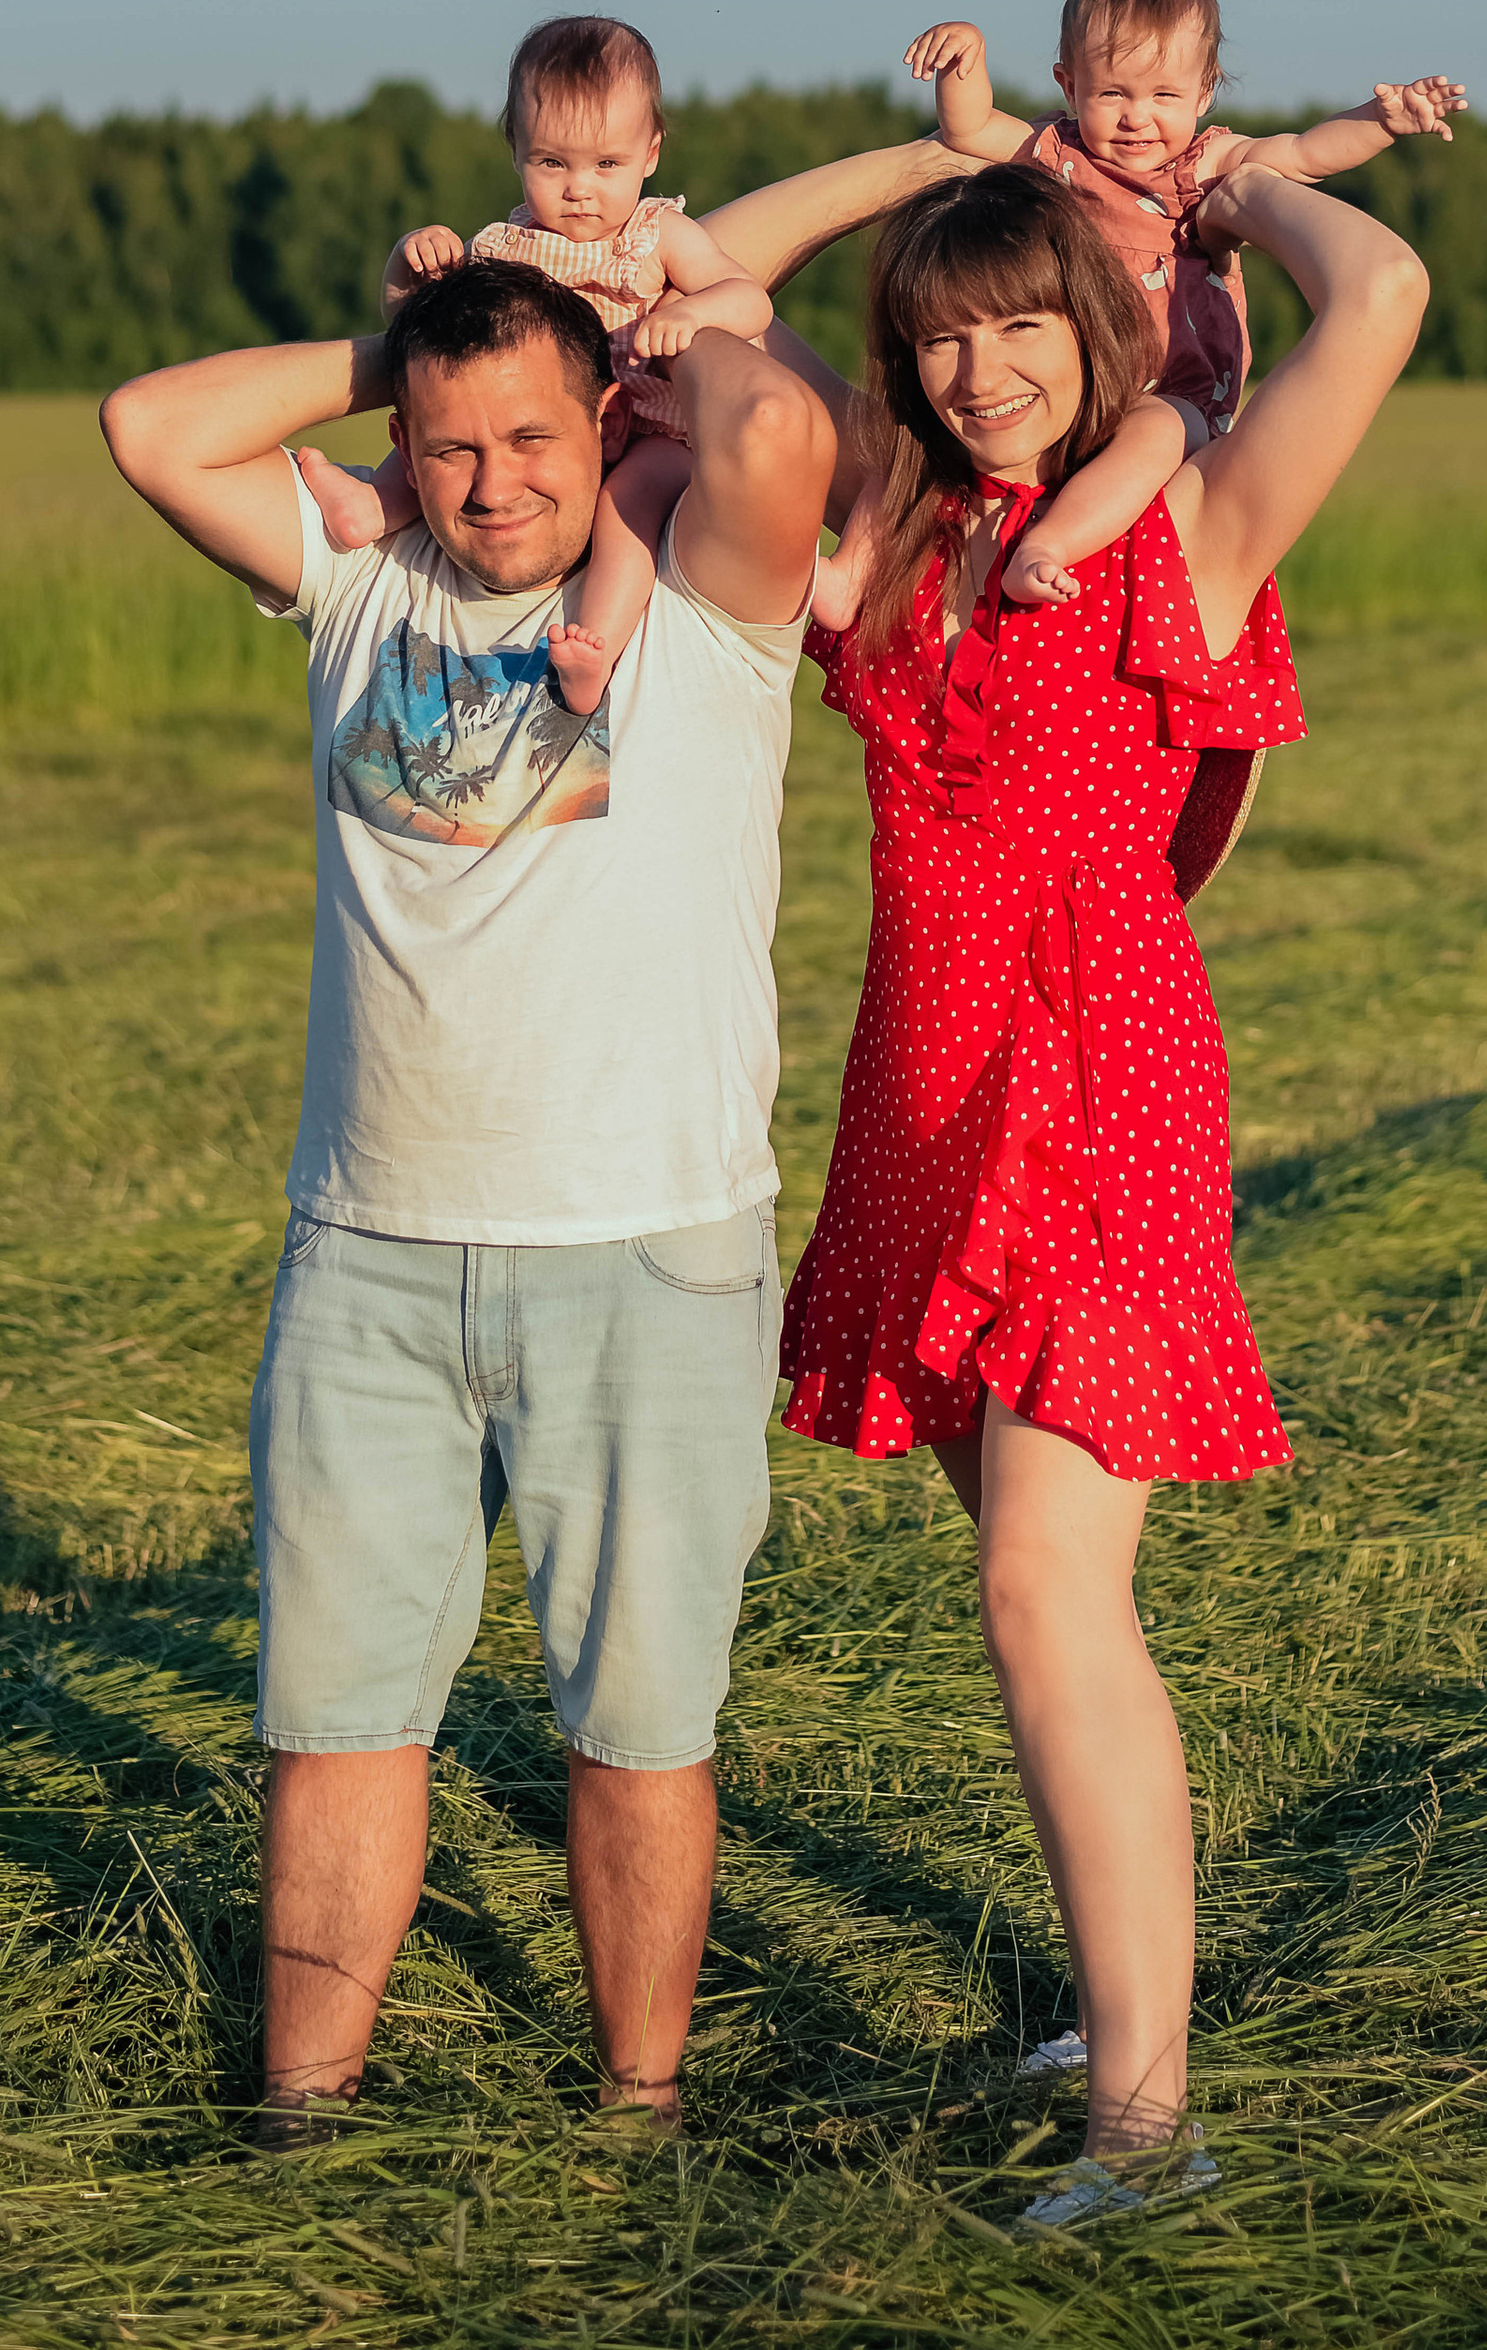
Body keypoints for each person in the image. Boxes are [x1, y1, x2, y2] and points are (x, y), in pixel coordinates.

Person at [96, 123, 954, 2141]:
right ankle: (302, 2114)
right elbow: (147, 427)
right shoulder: (358, 578)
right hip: (369, 1260)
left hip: (647, 1257)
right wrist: (399, 349)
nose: (492, 488)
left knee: (637, 1730)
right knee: (334, 1718)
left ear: (607, 422)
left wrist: (649, 319)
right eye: (452, 446)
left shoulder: (710, 601)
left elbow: (774, 441)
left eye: (535, 441)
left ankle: (635, 2109)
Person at [772, 146, 1428, 2228]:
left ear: (1097, 325)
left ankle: (1144, 2130)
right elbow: (707, 312)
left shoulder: (1190, 522)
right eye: (942, 331)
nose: (977, 369)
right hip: (921, 1081)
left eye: (1020, 323)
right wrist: (601, 249)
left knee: (1041, 1590)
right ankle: (1119, 1997)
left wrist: (1233, 198)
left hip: (1095, 1079)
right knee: (1044, 1602)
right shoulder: (897, 528)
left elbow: (1386, 290)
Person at [810, 0, 1460, 629]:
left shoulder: (1204, 165)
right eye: (1112, 93)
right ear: (1068, 85)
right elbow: (967, 127)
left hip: (1168, 395)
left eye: (1165, 95)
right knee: (919, 434)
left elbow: (1304, 155)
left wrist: (1381, 122)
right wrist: (967, 54)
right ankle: (848, 578)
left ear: (1205, 91)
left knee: (1150, 434)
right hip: (1067, 389)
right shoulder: (1058, 154)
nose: (1136, 117)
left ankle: (1048, 547)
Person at [293, 15, 774, 719]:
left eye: (607, 165)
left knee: (626, 508)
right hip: (538, 433)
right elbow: (423, 336)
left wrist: (692, 315)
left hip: (649, 433)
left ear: (651, 152)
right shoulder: (506, 247)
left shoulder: (658, 235)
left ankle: (595, 651)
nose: (580, 189)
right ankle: (371, 509)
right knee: (453, 428)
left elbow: (749, 298)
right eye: (553, 163)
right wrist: (408, 261)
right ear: (515, 150)